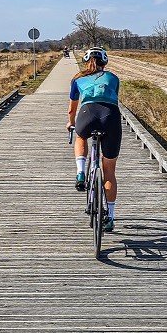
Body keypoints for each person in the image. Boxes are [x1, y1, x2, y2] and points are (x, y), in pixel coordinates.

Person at [66, 47, 121, 232]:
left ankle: (81, 172)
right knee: (109, 171)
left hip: (87, 114)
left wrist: (71, 123)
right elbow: (113, 98)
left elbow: (72, 109)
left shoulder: (77, 79)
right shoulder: (113, 78)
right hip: (110, 116)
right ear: (105, 63)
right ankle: (110, 217)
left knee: (80, 136)